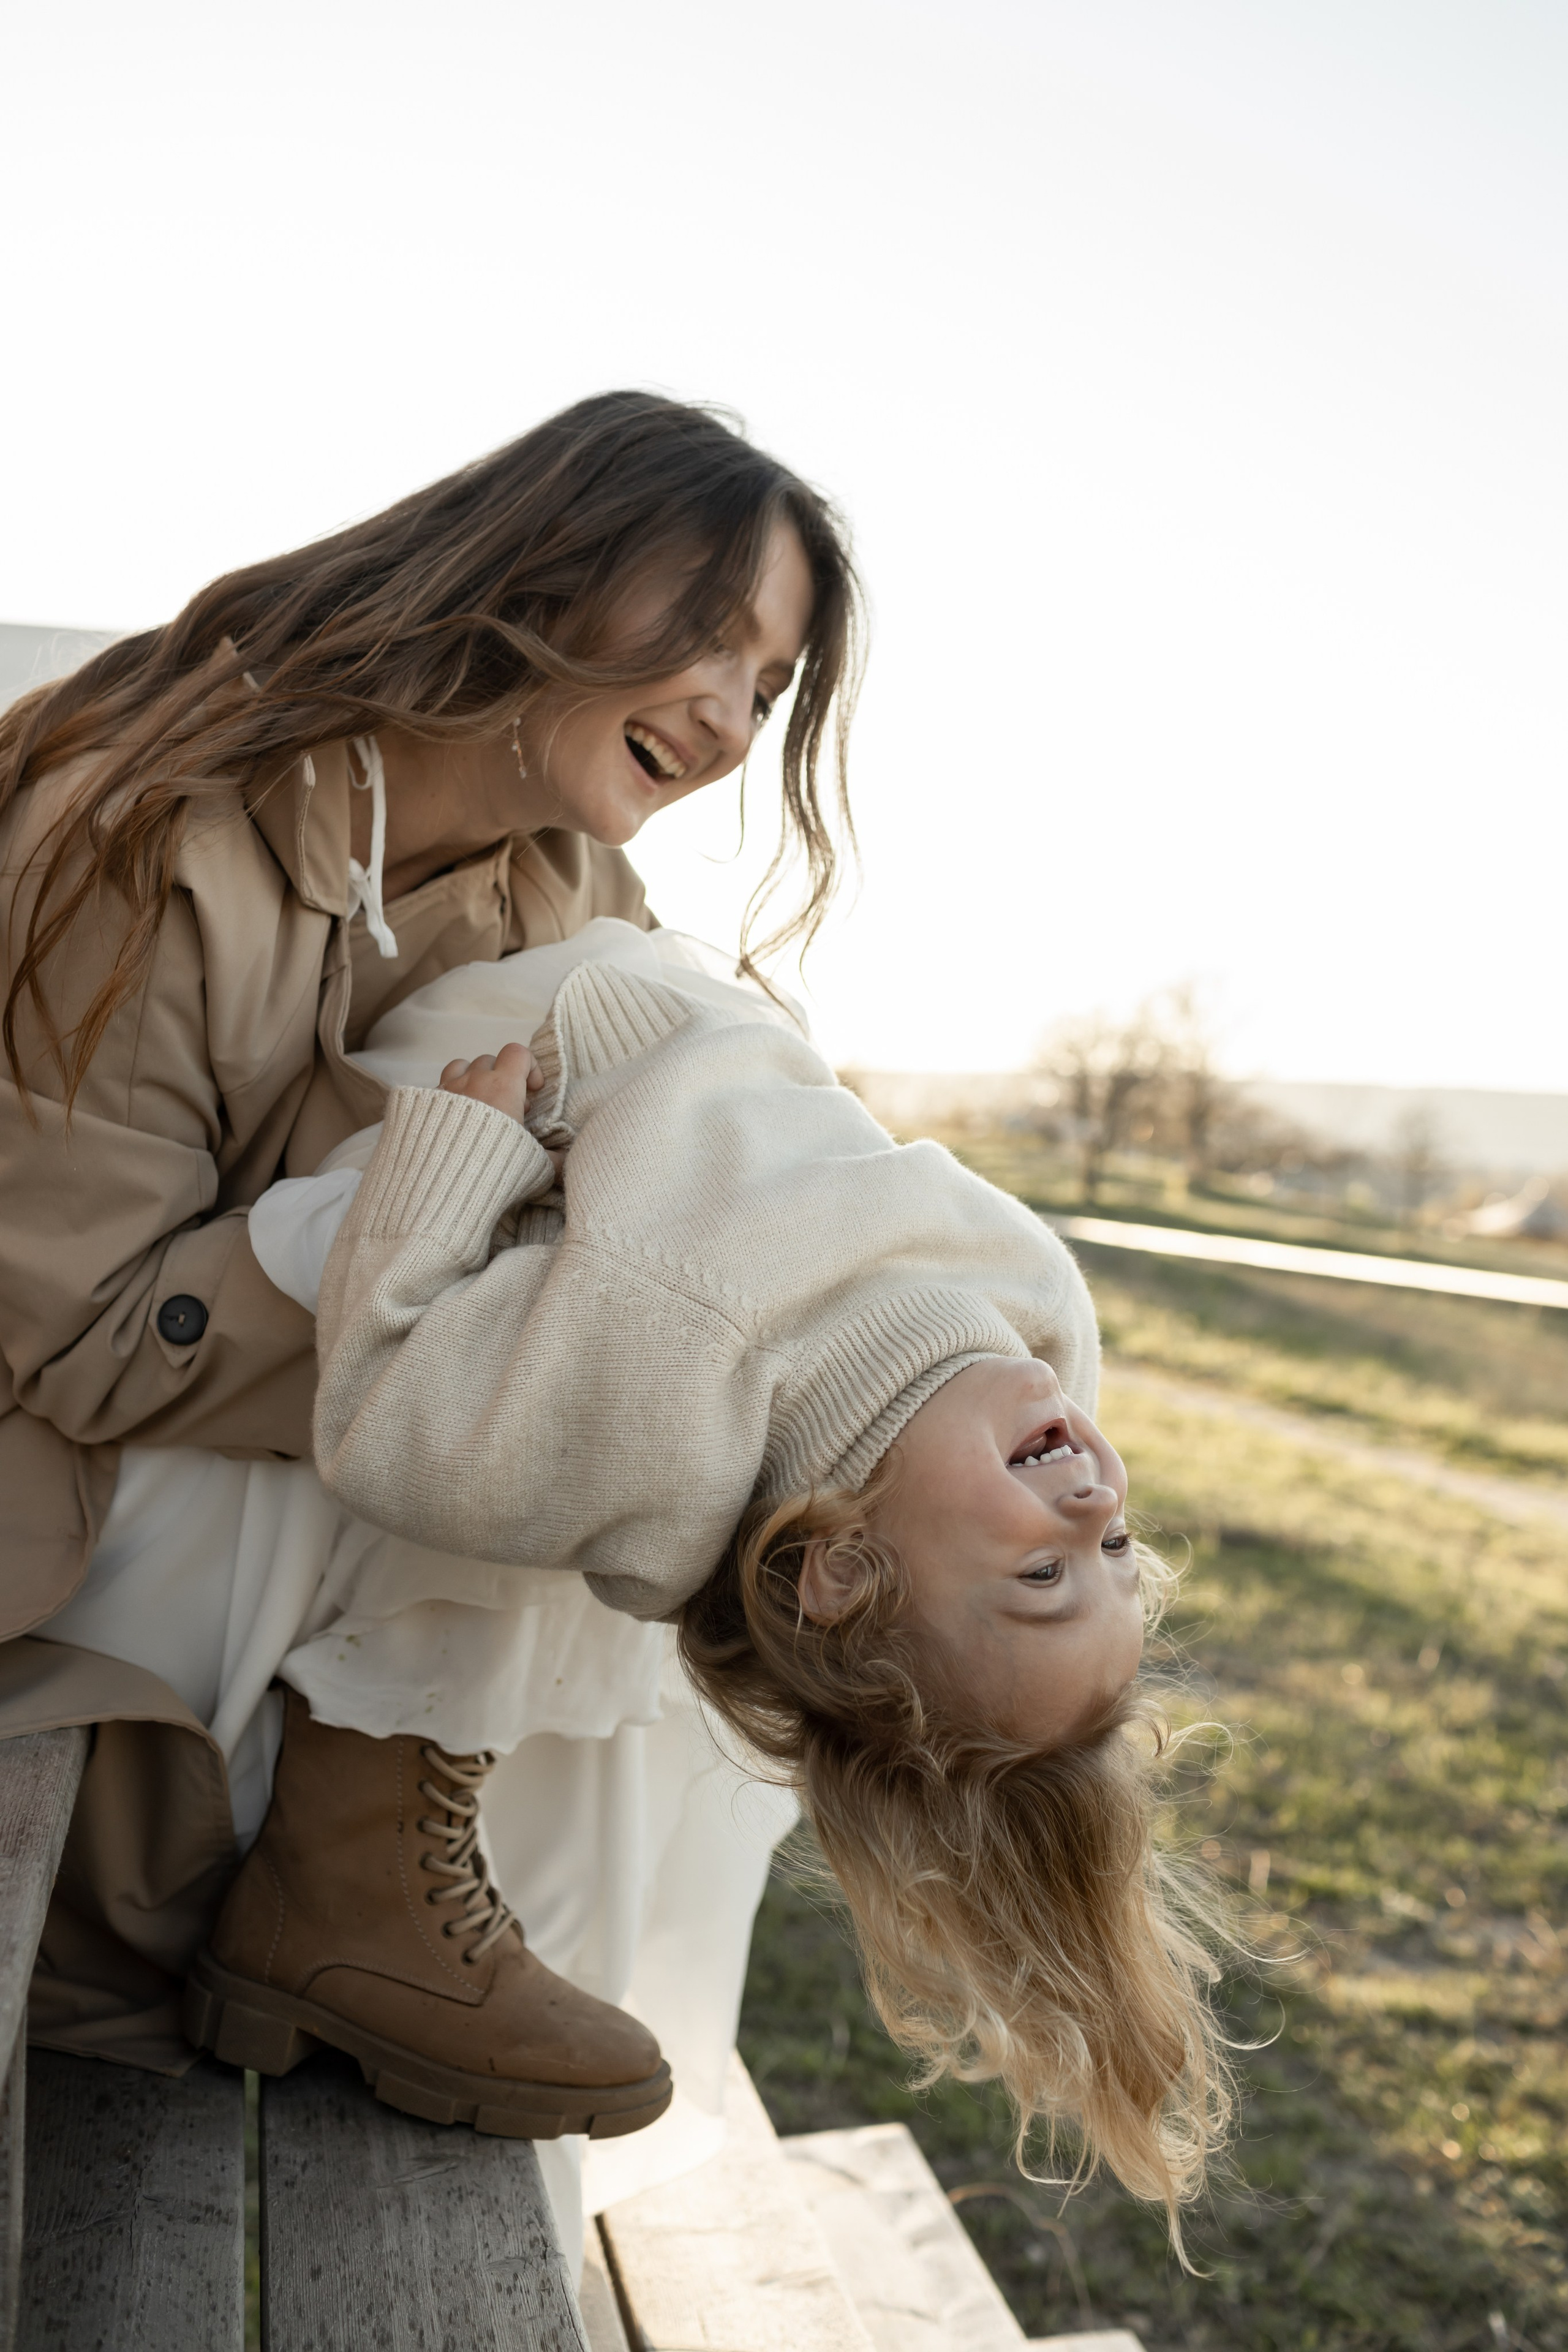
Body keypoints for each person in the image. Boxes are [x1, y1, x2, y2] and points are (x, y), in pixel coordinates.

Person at [0, 392, 861, 2135]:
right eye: (701, 631)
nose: (723, 718)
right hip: (60, 1478)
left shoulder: (570, 901)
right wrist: (438, 1271)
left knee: (665, 1183)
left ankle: (405, 1875)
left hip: (235, 1464)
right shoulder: (151, 819)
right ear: (543, 563)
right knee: (582, 1324)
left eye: (764, 687)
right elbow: (68, 1332)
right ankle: (355, 1885)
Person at [199, 924, 1228, 2228]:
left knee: (341, 1260)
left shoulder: (673, 1392)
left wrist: (464, 1154)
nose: (1095, 1498)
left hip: (545, 1034)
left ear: (843, 1570)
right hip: (703, 1001)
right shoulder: (1038, 1319)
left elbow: (386, 1415)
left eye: (1042, 1573)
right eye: (1114, 1554)